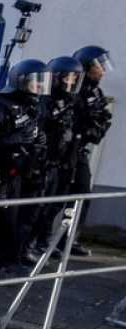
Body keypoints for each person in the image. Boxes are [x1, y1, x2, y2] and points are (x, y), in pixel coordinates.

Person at [0, 59, 50, 281]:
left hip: (15, 177)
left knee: (7, 226)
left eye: (42, 84)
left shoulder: (31, 110)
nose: (39, 89)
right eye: (35, 84)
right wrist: (13, 139)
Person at [22, 55, 84, 264]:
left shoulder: (68, 103)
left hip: (59, 164)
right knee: (35, 210)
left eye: (76, 78)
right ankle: (26, 249)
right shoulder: (44, 104)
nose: (73, 82)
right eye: (69, 78)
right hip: (43, 165)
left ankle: (40, 243)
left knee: (51, 208)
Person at [68, 45, 114, 256]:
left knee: (82, 196)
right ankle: (42, 242)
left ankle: (69, 239)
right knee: (52, 201)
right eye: (99, 65)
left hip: (80, 151)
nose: (103, 69)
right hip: (66, 151)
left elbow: (98, 127)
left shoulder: (96, 91)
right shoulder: (73, 90)